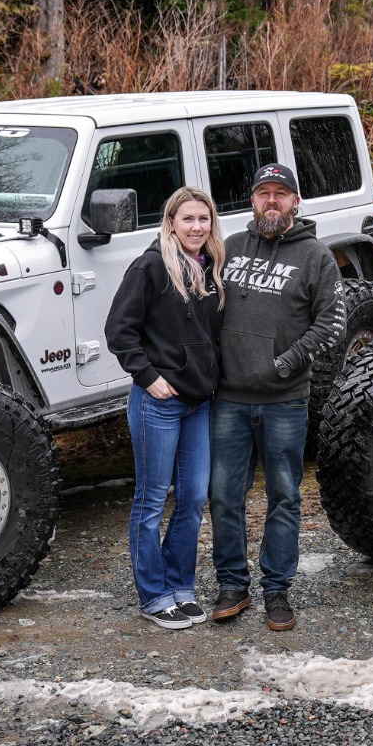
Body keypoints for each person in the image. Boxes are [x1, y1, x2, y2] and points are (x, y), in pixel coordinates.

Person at [208, 163, 345, 630]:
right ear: (252, 200)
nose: (272, 201)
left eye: (280, 194)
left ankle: (277, 590)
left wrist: (285, 362)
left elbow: (332, 324)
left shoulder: (316, 257)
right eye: (263, 193)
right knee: (225, 496)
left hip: (285, 399)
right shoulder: (230, 249)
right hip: (228, 398)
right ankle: (232, 584)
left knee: (284, 496)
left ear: (295, 203)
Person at [104, 187, 226, 630]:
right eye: (188, 219)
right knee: (152, 499)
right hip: (158, 402)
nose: (197, 227)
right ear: (171, 221)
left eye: (204, 219)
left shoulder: (211, 269)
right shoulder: (151, 266)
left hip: (198, 403)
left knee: (193, 498)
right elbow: (119, 330)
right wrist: (149, 377)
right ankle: (153, 596)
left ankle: (181, 587)